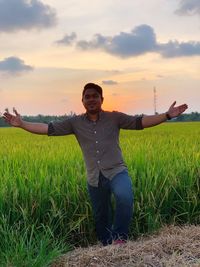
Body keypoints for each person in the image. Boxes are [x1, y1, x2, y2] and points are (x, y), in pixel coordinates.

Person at [3, 83, 188, 246]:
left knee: (125, 196)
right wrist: (22, 124)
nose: (91, 99)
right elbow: (47, 128)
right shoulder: (74, 123)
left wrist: (167, 116)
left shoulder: (115, 118)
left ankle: (120, 238)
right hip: (94, 176)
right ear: (82, 101)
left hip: (117, 171)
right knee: (101, 216)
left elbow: (140, 122)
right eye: (87, 97)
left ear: (102, 99)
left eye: (95, 96)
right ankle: (106, 248)